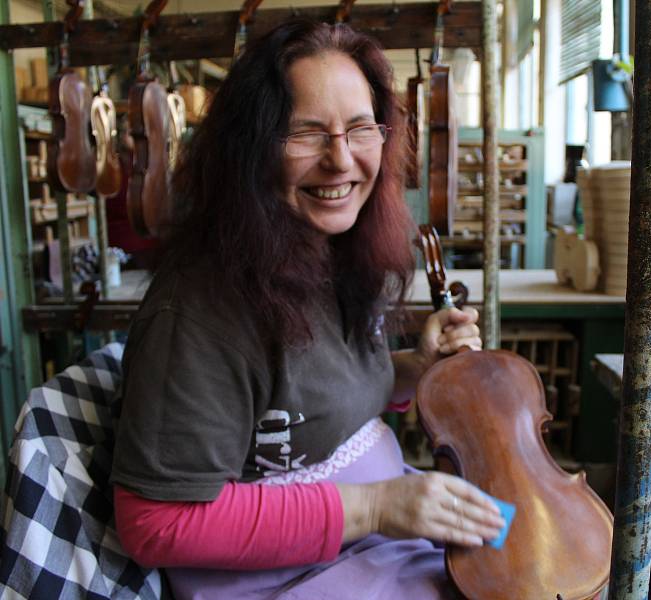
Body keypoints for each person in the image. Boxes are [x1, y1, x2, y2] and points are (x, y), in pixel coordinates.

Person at [111, 19, 505, 599]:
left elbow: (306, 396)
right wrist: (373, 506)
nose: (341, 160)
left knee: (535, 556)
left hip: (372, 541)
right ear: (251, 152)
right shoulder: (198, 311)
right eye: (307, 133)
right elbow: (155, 524)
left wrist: (414, 371)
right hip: (281, 578)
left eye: (360, 129)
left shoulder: (328, 246)